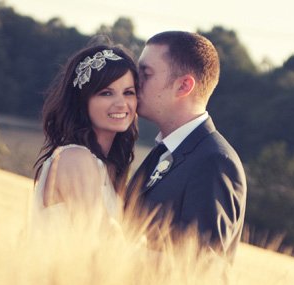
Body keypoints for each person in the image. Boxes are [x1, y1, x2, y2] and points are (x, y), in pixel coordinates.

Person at [125, 31, 247, 262]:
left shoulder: (214, 161)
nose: (134, 81)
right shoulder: (164, 150)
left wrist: (118, 251)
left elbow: (203, 268)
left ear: (183, 86)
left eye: (146, 74)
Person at [32, 42, 139, 230]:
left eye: (128, 92)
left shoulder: (107, 167)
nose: (122, 104)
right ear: (82, 101)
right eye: (106, 93)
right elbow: (106, 242)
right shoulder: (74, 158)